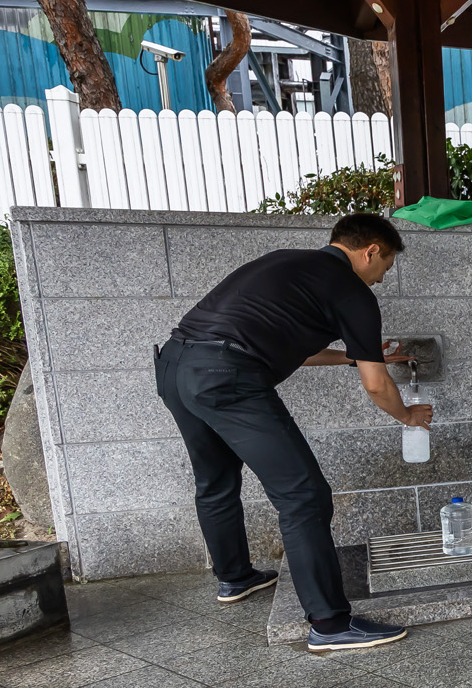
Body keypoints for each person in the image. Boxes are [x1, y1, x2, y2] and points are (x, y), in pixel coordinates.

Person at [154, 213, 432, 653]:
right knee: (303, 496)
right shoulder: (351, 291)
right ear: (371, 251)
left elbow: (286, 347)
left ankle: (235, 578)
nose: (381, 279)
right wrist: (408, 417)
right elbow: (377, 385)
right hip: (227, 377)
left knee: (215, 480)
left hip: (175, 367)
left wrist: (353, 355)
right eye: (386, 267)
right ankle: (330, 624)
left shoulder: (286, 263)